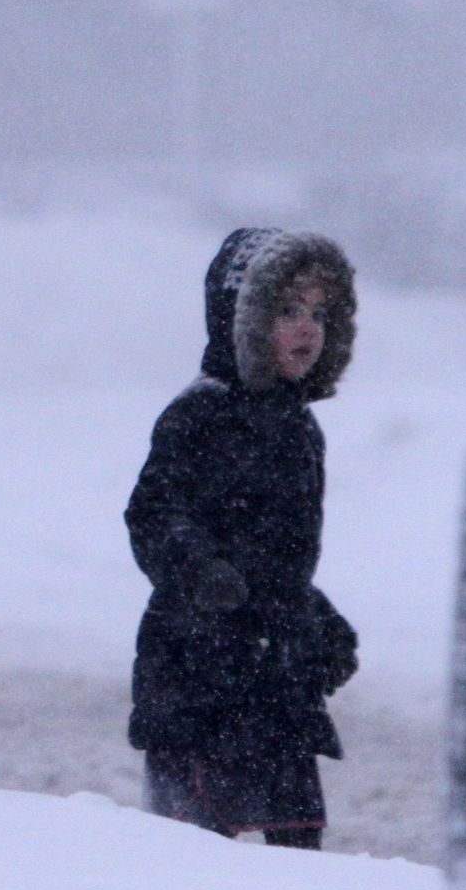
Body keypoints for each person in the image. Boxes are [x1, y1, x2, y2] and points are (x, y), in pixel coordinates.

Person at [124, 227, 360, 848]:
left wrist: (315, 618)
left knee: (296, 836)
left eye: (319, 313)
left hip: (275, 681)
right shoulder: (201, 414)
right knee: (196, 843)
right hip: (200, 672)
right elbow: (153, 513)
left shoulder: (300, 430)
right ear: (243, 318)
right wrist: (201, 570)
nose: (308, 328)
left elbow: (279, 561)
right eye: (286, 310)